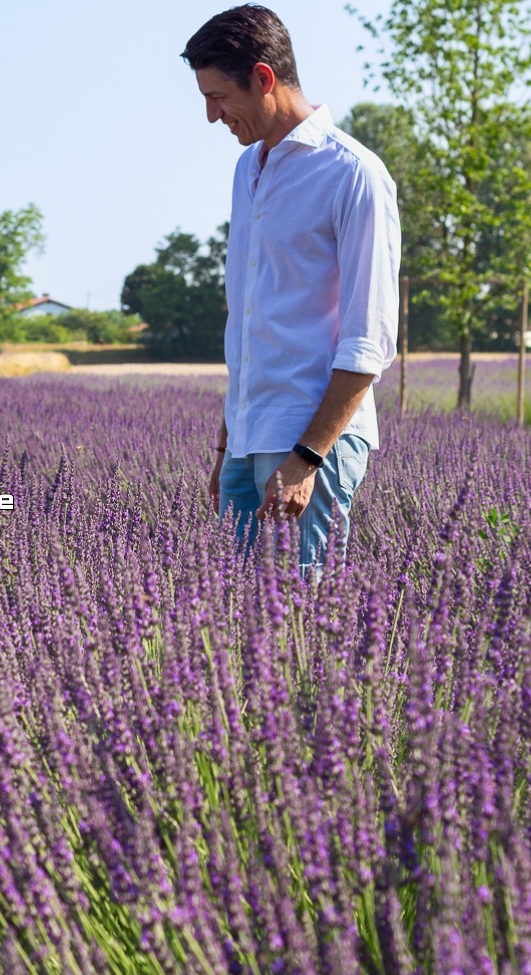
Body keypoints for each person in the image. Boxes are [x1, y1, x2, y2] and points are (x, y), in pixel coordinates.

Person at [185, 5, 399, 573]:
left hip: (309, 439)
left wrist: (308, 457)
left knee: (301, 621)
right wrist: (228, 443)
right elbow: (252, 320)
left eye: (218, 96)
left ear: (263, 78)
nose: (211, 117)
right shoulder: (247, 171)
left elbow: (368, 339)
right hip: (249, 433)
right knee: (234, 620)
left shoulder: (353, 173)